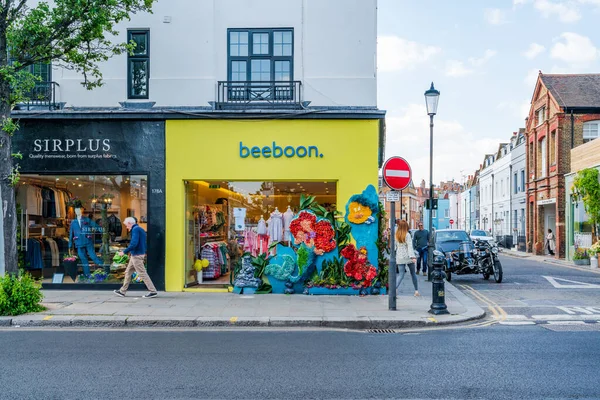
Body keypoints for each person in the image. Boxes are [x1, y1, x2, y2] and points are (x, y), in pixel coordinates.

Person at [113, 217, 158, 298]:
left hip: (136, 255)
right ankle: (122, 291)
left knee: (142, 273)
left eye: (127, 225)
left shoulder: (135, 229)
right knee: (128, 272)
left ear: (130, 223)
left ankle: (153, 291)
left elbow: (134, 243)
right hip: (136, 254)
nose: (127, 227)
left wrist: (124, 252)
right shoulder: (140, 229)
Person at [395, 220, 420, 297]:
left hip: (399, 256)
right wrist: (412, 257)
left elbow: (395, 246)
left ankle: (394, 289)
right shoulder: (407, 235)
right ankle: (416, 291)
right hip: (408, 257)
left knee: (400, 275)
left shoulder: (396, 235)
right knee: (413, 274)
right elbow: (410, 246)